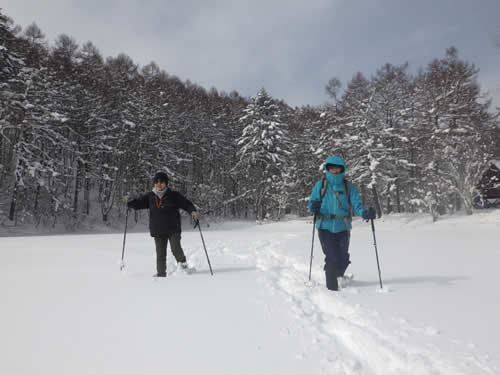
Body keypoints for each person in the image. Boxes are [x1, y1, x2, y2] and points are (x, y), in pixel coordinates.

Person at [308, 156, 376, 291]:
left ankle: (338, 277)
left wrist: (365, 213)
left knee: (343, 258)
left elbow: (357, 204)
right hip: (324, 226)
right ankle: (332, 291)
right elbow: (312, 204)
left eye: (337, 168)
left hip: (343, 227)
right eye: (332, 168)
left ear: (342, 169)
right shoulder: (320, 185)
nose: (334, 170)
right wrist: (314, 207)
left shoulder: (348, 186)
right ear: (327, 169)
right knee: (332, 257)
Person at [124, 172, 200, 277]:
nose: (159, 184)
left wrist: (193, 211)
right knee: (160, 254)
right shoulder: (150, 196)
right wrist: (130, 201)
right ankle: (161, 275)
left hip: (173, 228)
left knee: (176, 248)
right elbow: (138, 204)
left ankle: (184, 268)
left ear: (166, 183)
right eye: (156, 182)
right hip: (158, 229)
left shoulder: (174, 195)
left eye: (161, 182)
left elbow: (187, 204)